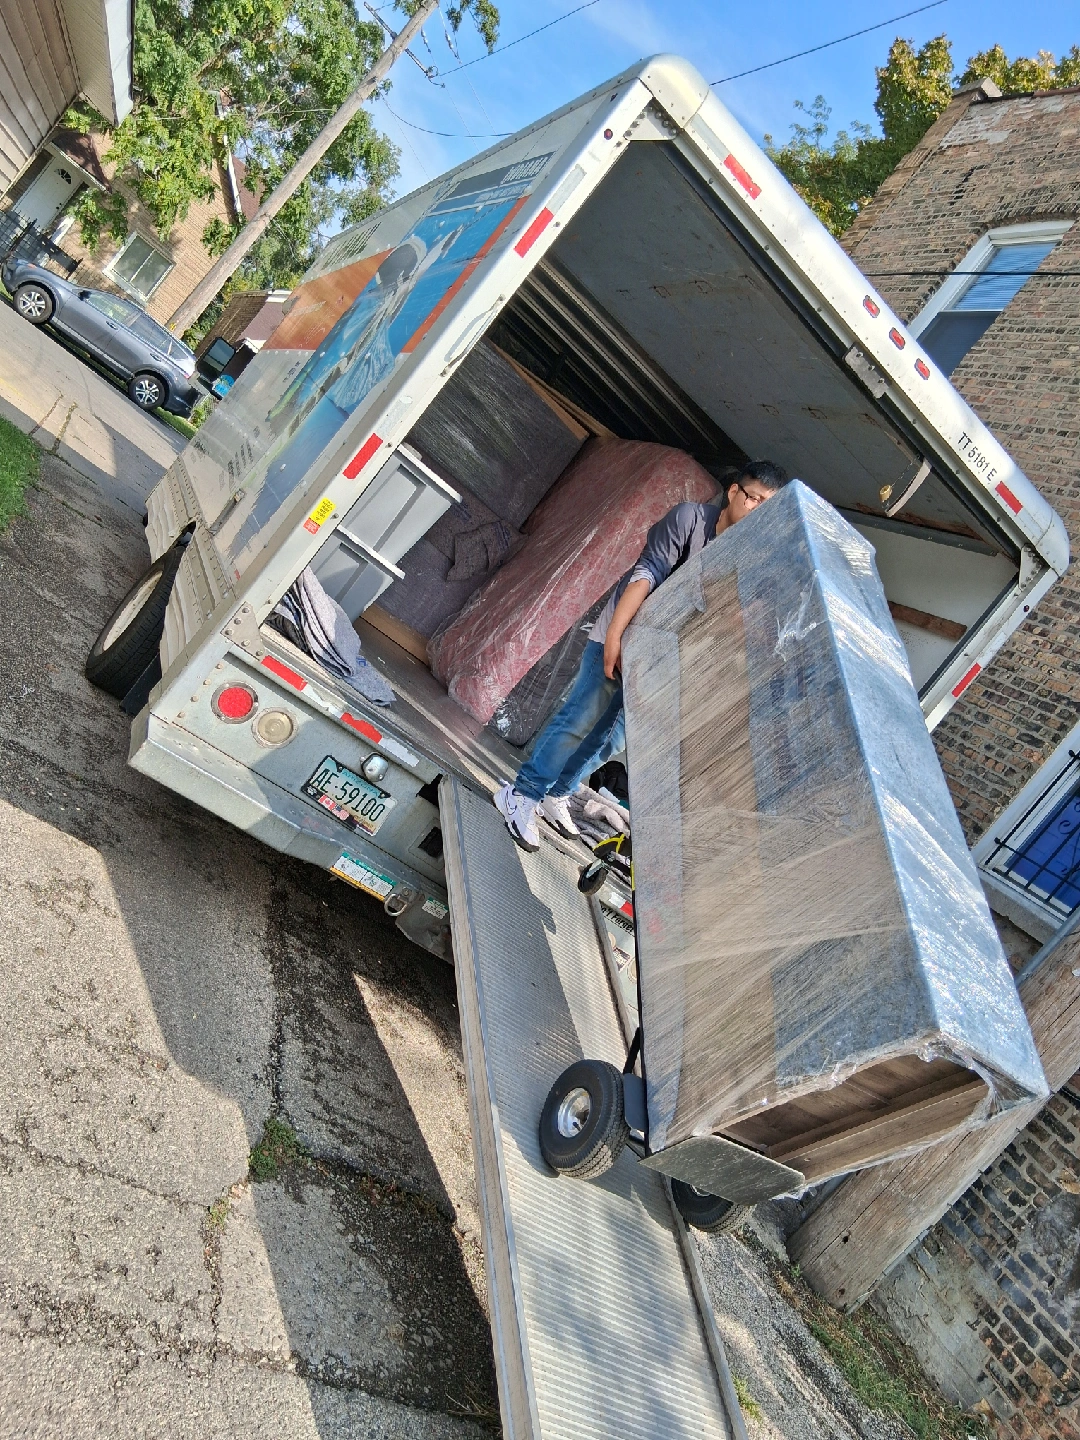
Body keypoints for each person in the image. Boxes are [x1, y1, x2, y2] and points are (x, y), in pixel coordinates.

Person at [493, 460, 790, 852]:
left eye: (768, 506)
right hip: (625, 626)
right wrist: (615, 636)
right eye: (754, 499)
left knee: (610, 737)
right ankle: (523, 793)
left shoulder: (739, 556)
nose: (758, 510)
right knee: (581, 717)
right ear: (734, 492)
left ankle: (557, 792)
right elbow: (646, 573)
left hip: (657, 654)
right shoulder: (689, 520)